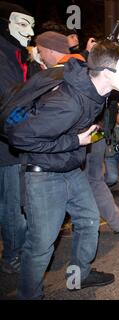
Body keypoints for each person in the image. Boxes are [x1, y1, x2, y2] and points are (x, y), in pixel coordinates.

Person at [8, 40, 119, 299]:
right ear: (107, 73)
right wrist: (76, 140)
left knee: (88, 221)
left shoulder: (97, 91)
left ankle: (80, 276)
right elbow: (20, 138)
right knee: (41, 245)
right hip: (43, 175)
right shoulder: (69, 103)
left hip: (70, 168)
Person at [0, 1, 34, 274]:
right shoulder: (3, 56)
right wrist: (31, 130)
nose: (30, 31)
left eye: (31, 25)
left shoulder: (16, 55)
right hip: (7, 147)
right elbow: (8, 105)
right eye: (23, 24)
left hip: (13, 142)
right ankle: (14, 254)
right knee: (12, 205)